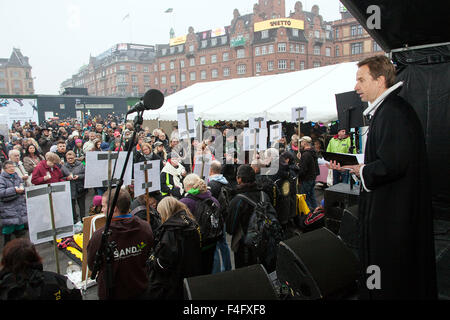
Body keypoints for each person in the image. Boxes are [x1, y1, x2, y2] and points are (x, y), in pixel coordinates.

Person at [332, 55, 437, 299]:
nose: (356, 87)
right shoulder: (392, 110)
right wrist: (358, 166)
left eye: (361, 80)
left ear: (380, 80)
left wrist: (362, 170)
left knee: (388, 276)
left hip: (393, 215)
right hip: (394, 209)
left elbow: (393, 164)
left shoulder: (392, 113)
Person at [87, 188, 154, 300]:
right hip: (141, 288)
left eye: (103, 206)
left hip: (113, 293)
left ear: (114, 209)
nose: (102, 210)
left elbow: (92, 264)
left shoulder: (100, 236)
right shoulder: (145, 227)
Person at [147, 196, 202, 300]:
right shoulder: (191, 222)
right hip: (191, 274)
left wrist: (153, 259)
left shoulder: (171, 230)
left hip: (173, 281)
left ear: (165, 212)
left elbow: (164, 264)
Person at [0, 238, 82, 300]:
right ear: (35, 256)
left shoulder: (4, 287)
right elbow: (76, 293)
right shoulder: (55, 280)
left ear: (5, 259)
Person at [226, 164, 267, 268]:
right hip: (264, 241)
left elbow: (230, 228)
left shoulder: (237, 200)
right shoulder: (264, 195)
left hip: (244, 246)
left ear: (239, 179)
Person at [180, 173, 220, 275]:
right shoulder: (214, 200)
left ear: (187, 187)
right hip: (211, 243)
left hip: (194, 246)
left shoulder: (184, 203)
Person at [207, 160, 232, 274]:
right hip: (224, 216)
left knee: (215, 246)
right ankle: (227, 267)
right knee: (224, 244)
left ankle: (216, 272)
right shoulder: (225, 182)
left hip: (216, 218)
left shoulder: (211, 185)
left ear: (211, 170)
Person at [0, 161, 27, 245]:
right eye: (9, 167)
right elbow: (1, 192)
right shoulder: (1, 179)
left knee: (20, 227)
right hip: (8, 208)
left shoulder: (16, 176)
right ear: (4, 169)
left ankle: (21, 248)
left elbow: (22, 186)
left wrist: (22, 189)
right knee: (8, 228)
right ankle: (7, 248)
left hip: (19, 206)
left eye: (13, 167)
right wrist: (14, 190)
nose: (12, 168)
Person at [61, 151, 86, 223]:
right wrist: (67, 178)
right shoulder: (63, 167)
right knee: (72, 207)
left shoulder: (81, 165)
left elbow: (85, 174)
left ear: (75, 157)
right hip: (70, 189)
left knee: (82, 206)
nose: (70, 160)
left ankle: (83, 221)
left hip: (80, 188)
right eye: (68, 158)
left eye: (71, 158)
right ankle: (74, 221)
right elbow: (61, 178)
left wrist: (79, 176)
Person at [297, 136, 320, 211]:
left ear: (304, 143)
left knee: (305, 198)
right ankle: (316, 211)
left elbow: (303, 169)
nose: (300, 143)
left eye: (301, 142)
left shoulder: (306, 154)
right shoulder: (312, 152)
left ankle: (309, 214)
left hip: (306, 179)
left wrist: (299, 174)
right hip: (312, 177)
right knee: (312, 196)